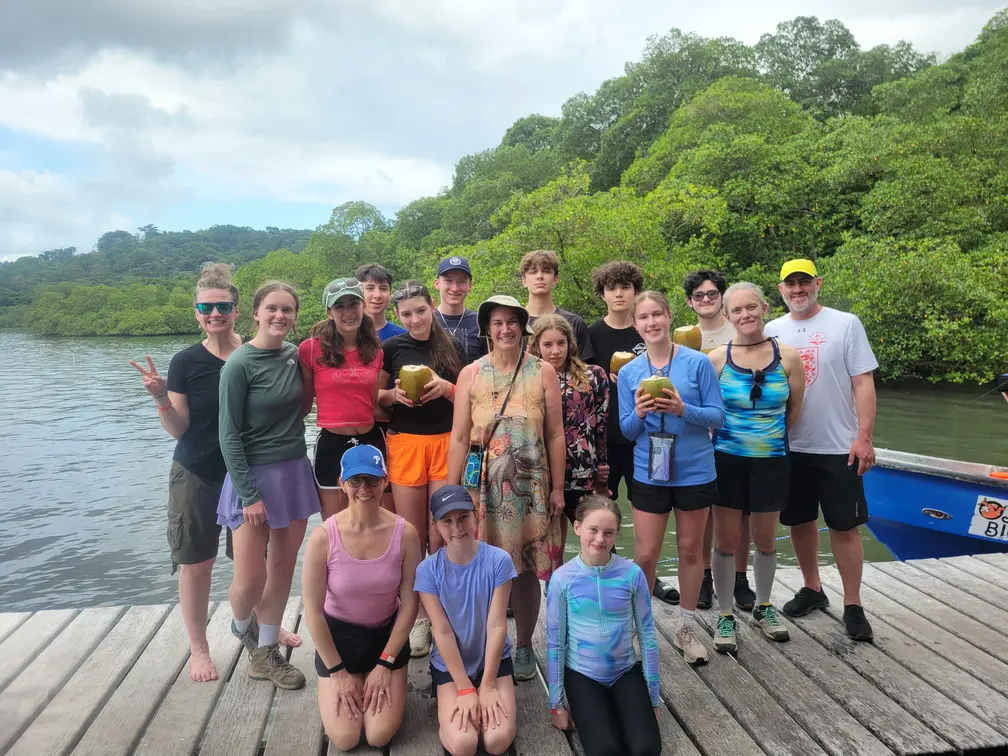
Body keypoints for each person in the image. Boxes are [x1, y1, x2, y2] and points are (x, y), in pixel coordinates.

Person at [129, 263, 298, 683]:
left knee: (252, 562)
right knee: (197, 562)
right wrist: (160, 399)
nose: (215, 313)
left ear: (240, 310)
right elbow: (179, 429)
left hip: (251, 472)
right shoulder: (187, 361)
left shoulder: (265, 349)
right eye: (206, 307)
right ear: (196, 312)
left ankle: (263, 625)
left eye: (223, 306)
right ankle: (200, 648)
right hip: (199, 471)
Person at [447, 294, 566, 682]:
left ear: (523, 325)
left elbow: (555, 434)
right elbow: (460, 437)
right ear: (487, 329)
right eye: (497, 322)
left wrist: (558, 488)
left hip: (530, 487)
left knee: (527, 570)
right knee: (480, 567)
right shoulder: (470, 374)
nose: (505, 329)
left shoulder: (543, 371)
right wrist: (451, 494)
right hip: (481, 488)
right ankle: (483, 643)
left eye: (512, 321)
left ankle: (526, 643)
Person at [765, 258, 879, 642]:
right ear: (780, 290)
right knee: (799, 521)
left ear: (818, 284)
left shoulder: (845, 323)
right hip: (789, 444)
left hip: (838, 445)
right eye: (789, 284)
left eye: (804, 282)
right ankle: (813, 587)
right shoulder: (771, 330)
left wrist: (864, 437)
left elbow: (863, 382)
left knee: (845, 527)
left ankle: (853, 604)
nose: (797, 290)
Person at [217, 280, 321, 689]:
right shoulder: (238, 364)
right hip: (252, 478)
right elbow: (228, 435)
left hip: (293, 471)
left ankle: (264, 653)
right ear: (256, 312)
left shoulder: (296, 357)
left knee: (281, 569)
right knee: (249, 579)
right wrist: (249, 495)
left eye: (288, 310)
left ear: (295, 317)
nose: (280, 316)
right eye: (272, 308)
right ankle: (242, 624)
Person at [618, 290, 725, 666]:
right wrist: (642, 413)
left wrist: (683, 408)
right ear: (635, 324)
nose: (652, 323)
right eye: (644, 317)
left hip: (695, 470)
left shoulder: (697, 363)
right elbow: (627, 430)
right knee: (645, 555)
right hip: (650, 471)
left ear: (669, 317)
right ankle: (639, 628)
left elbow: (717, 417)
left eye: (657, 315)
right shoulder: (630, 372)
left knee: (690, 551)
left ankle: (685, 626)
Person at [301, 445, 421, 751]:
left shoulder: (405, 533)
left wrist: (384, 664)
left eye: (372, 480)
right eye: (356, 481)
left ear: (386, 481)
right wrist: (339, 673)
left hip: (386, 639)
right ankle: (346, 680)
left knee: (378, 734)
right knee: (345, 738)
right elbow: (313, 612)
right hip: (339, 640)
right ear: (342, 483)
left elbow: (410, 604)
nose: (364, 489)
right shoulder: (322, 538)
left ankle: (376, 675)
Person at [706, 283, 805, 652]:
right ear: (727, 316)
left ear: (764, 307)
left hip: (772, 459)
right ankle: (726, 613)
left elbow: (794, 410)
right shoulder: (716, 359)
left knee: (765, 539)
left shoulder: (789, 357)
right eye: (736, 310)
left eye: (751, 307)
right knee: (727, 539)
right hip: (727, 459)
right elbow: (710, 413)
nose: (745, 315)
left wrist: (767, 440)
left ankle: (764, 606)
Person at [378, 280, 465, 658]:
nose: (415, 319)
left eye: (420, 311)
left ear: (433, 307)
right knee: (411, 534)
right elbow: (376, 398)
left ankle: (444, 608)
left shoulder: (452, 345)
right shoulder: (391, 347)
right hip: (406, 443)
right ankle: (416, 618)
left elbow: (470, 398)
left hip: (446, 442)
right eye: (407, 314)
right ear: (398, 317)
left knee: (442, 531)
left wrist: (446, 387)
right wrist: (392, 395)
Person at [587, 261, 681, 604]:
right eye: (611, 288)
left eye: (625, 287)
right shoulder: (593, 333)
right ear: (602, 295)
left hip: (649, 440)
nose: (618, 294)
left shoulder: (649, 331)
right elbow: (584, 381)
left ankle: (648, 578)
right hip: (607, 438)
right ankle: (602, 574)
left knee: (648, 512)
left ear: (636, 293)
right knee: (602, 512)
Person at [546, 496, 662, 756]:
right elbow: (555, 643)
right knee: (604, 750)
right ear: (577, 528)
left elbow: (647, 637)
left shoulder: (631, 575)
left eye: (608, 533)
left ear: (616, 534)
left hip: (624, 671)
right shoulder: (562, 579)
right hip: (583, 674)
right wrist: (557, 705)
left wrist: (653, 698)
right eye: (593, 530)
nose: (600, 539)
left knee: (646, 748)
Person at [415, 485, 518, 756]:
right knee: (463, 744)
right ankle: (444, 712)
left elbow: (497, 624)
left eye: (463, 517)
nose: (457, 527)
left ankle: (488, 694)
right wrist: (464, 689)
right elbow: (442, 632)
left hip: (492, 661)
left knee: (496, 741)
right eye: (447, 521)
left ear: (477, 516)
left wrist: (487, 685)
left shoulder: (499, 561)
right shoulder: (427, 571)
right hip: (451, 667)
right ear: (436, 526)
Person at [683, 269, 754, 612]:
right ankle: (706, 577)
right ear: (689, 302)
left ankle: (740, 576)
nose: (707, 300)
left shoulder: (741, 330)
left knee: (740, 512)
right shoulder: (685, 337)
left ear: (722, 297)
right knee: (703, 512)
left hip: (740, 435)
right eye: (699, 296)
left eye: (713, 294)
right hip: (699, 435)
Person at [299, 277, 385, 520]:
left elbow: (373, 402)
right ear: (329, 312)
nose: (348, 312)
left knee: (372, 520)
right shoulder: (311, 349)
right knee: (335, 525)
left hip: (370, 440)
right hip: (332, 444)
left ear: (363, 306)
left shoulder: (376, 350)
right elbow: (305, 404)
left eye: (353, 304)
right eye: (340, 306)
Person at [530, 315, 610, 552]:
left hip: (582, 471)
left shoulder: (593, 376)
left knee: (598, 536)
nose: (555, 351)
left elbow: (601, 425)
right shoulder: (529, 378)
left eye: (561, 343)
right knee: (548, 545)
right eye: (547, 345)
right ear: (536, 346)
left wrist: (602, 470)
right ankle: (555, 587)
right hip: (541, 470)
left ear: (570, 343)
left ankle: (605, 586)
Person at [519, 250, 594, 361]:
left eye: (546, 271)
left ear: (555, 279)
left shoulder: (574, 323)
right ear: (524, 281)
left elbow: (585, 370)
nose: (540, 276)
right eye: (533, 272)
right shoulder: (515, 325)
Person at [434, 255, 487, 364]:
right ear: (437, 284)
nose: (454, 288)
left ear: (470, 286)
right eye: (448, 281)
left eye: (461, 282)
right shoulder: (426, 321)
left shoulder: (480, 322)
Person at [356, 264, 406, 341]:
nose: (377, 295)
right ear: (359, 293)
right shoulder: (348, 336)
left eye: (383, 289)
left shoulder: (403, 337)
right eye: (370, 288)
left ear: (390, 294)